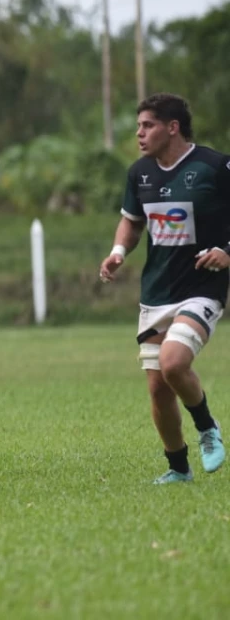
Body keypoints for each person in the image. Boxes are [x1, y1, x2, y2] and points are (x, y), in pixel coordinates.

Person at [100, 93, 229, 483]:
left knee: (174, 363)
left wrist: (227, 252)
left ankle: (207, 428)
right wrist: (119, 251)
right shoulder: (140, 172)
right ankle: (178, 469)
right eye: (138, 126)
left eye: (147, 125)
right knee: (158, 387)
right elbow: (132, 221)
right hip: (157, 290)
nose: (139, 133)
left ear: (172, 128)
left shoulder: (215, 166)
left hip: (203, 286)